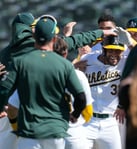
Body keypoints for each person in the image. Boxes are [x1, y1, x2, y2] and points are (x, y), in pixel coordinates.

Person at [0, 15, 87, 149]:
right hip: (55, 131)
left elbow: (7, 95)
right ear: (54, 38)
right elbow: (81, 98)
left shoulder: (22, 62)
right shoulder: (65, 65)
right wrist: (74, 115)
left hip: (30, 131)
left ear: (34, 36)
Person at [81, 35, 127, 149]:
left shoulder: (125, 62)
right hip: (87, 120)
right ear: (103, 50)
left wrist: (130, 41)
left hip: (111, 121)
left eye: (118, 51)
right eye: (111, 50)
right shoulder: (87, 60)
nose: (115, 54)